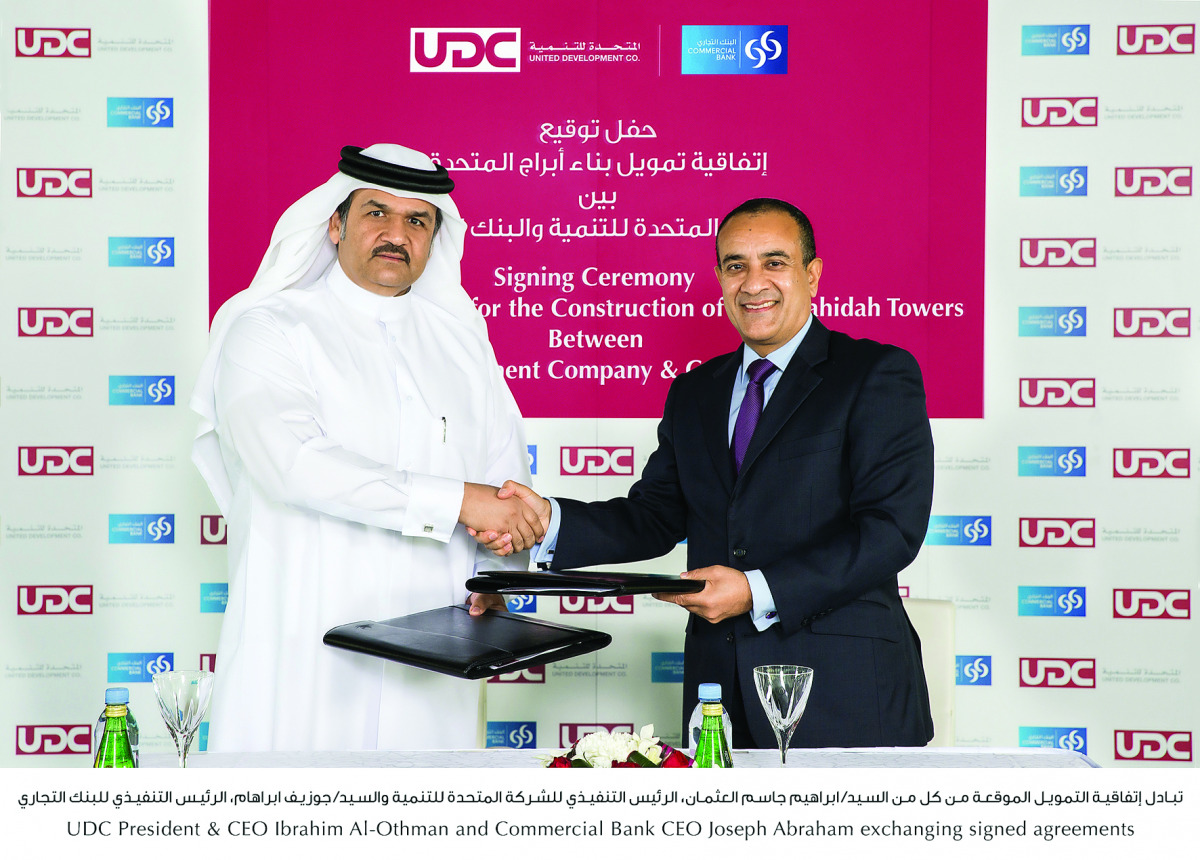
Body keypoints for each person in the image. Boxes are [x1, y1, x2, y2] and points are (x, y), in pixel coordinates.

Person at [478, 198, 935, 749]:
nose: (753, 283)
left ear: (813, 274)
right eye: (736, 265)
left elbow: (891, 531)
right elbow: (655, 516)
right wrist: (546, 521)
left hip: (845, 691)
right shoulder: (695, 392)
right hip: (720, 692)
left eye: (775, 262)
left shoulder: (875, 373)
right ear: (719, 278)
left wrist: (756, 590)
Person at [190, 144, 543, 751]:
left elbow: (503, 483)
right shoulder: (268, 327)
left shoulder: (462, 345)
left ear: (433, 239)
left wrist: (500, 576)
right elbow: (293, 464)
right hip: (303, 638)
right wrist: (459, 501)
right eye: (376, 213)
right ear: (335, 223)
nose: (396, 234)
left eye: (417, 220)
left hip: (437, 645)